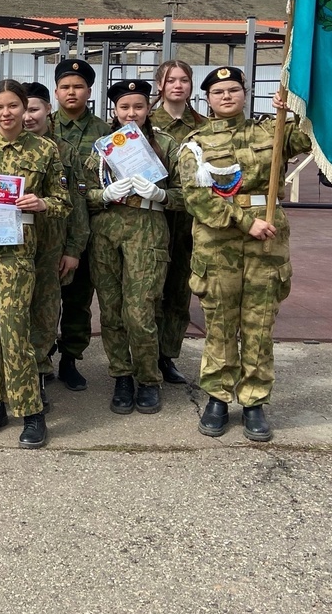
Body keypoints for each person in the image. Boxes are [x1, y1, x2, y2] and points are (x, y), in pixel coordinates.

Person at [179, 66, 311, 442]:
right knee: (219, 321)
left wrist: (296, 109)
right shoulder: (197, 141)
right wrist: (243, 221)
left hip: (266, 242)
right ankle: (218, 398)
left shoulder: (272, 131)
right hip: (218, 240)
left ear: (244, 93)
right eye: (218, 91)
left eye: (233, 89)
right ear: (207, 99)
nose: (226, 96)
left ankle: (254, 401)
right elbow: (195, 196)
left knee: (259, 323)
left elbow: (310, 139)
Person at [0, 79, 70, 448]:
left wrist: (42, 204)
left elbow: (64, 200)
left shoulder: (44, 150)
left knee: (14, 328)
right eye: (0, 107)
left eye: (14, 107)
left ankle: (31, 411)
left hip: (17, 251)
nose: (7, 114)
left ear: (26, 109)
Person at [83, 79, 182, 416]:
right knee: (111, 311)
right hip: (107, 232)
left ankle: (148, 379)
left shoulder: (166, 145)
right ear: (114, 109)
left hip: (148, 230)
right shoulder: (102, 147)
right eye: (124, 107)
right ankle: (121, 376)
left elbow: (188, 197)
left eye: (138, 106)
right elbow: (82, 195)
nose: (131, 113)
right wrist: (104, 195)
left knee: (140, 312)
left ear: (148, 108)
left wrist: (162, 195)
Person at [22, 82, 89, 411]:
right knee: (13, 316)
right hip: (12, 248)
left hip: (51, 247)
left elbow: (77, 205)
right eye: (22, 109)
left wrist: (73, 249)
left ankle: (38, 376)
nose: (27, 116)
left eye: (34, 108)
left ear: (49, 109)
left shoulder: (65, 151)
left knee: (46, 315)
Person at [149, 59, 208, 385]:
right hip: (154, 217)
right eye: (171, 80)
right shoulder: (145, 121)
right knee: (149, 292)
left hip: (188, 220)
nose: (178, 85)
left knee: (179, 291)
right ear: (160, 85)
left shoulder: (202, 125)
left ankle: (166, 355)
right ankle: (144, 352)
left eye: (184, 80)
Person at [51, 58, 107, 392]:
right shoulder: (42, 125)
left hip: (87, 227)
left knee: (78, 299)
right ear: (56, 91)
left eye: (78, 86)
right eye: (65, 87)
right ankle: (42, 356)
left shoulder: (105, 132)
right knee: (43, 300)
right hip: (48, 229)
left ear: (88, 90)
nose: (72, 92)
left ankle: (70, 359)